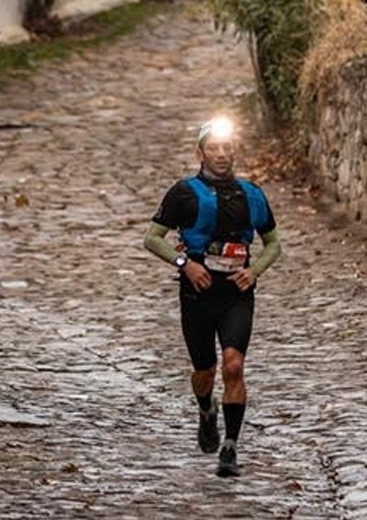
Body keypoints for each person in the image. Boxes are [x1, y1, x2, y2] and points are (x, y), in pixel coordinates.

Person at [143, 116, 282, 477]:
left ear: (234, 151)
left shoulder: (252, 194)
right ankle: (206, 410)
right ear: (200, 153)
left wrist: (254, 271)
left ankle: (230, 447)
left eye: (226, 147)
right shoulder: (183, 192)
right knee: (204, 372)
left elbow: (273, 243)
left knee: (234, 366)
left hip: (237, 293)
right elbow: (152, 238)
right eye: (213, 148)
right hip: (198, 294)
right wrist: (184, 264)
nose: (221, 154)